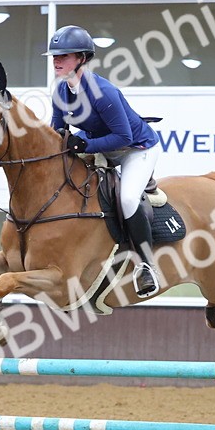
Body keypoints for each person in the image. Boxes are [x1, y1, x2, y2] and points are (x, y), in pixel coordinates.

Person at [45, 25, 163, 298]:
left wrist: (85, 144)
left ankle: (146, 266)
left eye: (65, 55)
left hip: (136, 148)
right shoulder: (60, 93)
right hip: (100, 145)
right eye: (54, 56)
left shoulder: (104, 92)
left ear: (83, 58)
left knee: (128, 199)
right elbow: (57, 131)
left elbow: (123, 136)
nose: (57, 61)